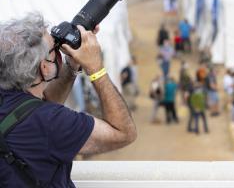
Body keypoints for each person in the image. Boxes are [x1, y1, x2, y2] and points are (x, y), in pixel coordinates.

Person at [0, 14, 137, 187]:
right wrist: (95, 68)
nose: (59, 50)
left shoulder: (19, 104)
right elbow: (124, 133)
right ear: (44, 67)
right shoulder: (51, 122)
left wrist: (72, 65)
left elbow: (40, 105)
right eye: (54, 48)